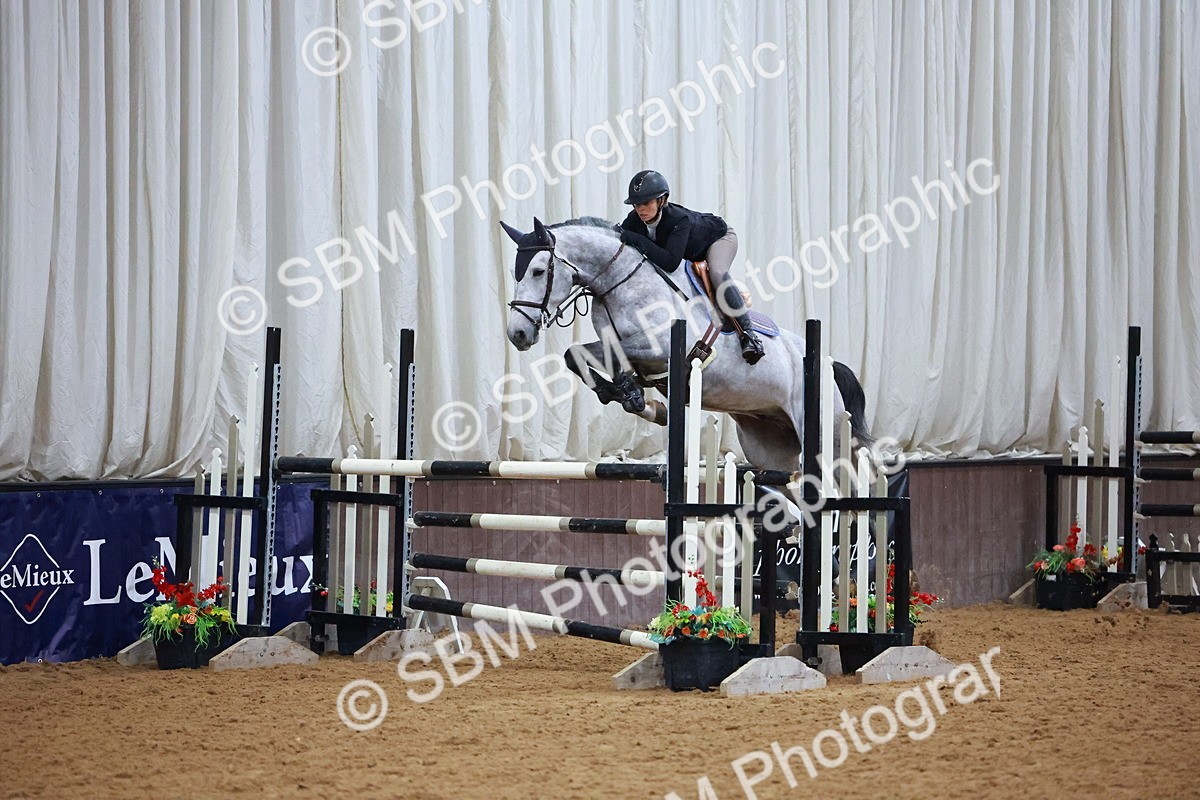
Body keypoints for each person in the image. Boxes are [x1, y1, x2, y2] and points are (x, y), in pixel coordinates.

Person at [616, 169, 764, 364]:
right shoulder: (634, 219)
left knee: (717, 272)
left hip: (718, 239)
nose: (640, 209)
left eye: (646, 203)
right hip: (690, 249)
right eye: (636, 204)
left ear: (661, 200)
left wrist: (636, 239)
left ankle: (749, 334)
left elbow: (670, 262)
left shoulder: (678, 219)